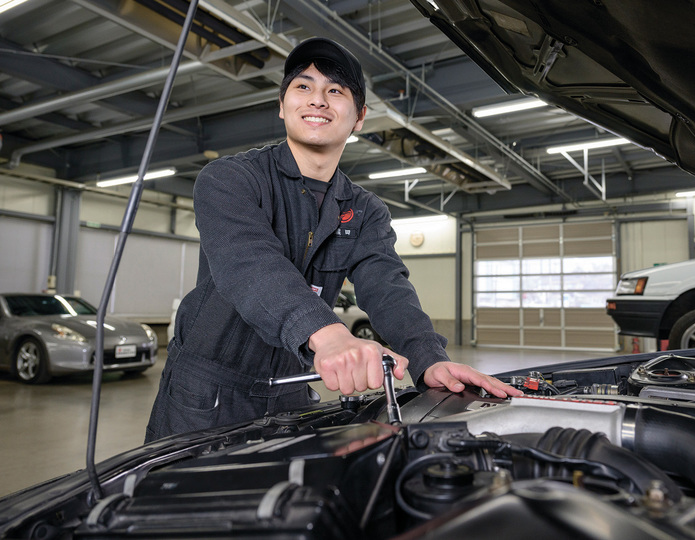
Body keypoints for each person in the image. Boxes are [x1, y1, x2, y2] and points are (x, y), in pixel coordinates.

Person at [145, 37, 521, 442]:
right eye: (303, 86)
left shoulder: (365, 210)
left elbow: (388, 288)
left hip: (291, 391)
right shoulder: (230, 180)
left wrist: (430, 361)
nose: (318, 100)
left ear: (359, 117)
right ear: (282, 105)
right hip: (206, 392)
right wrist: (331, 336)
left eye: (335, 90)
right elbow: (250, 263)